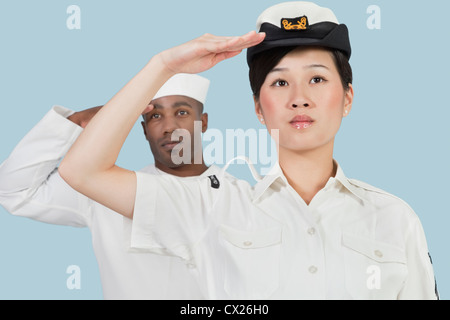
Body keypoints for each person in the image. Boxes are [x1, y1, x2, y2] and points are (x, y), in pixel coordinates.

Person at [58, 1, 438, 299]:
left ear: (348, 98)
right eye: (279, 83)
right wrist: (163, 66)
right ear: (258, 107)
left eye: (317, 79)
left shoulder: (394, 218)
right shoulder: (212, 207)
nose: (299, 99)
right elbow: (83, 172)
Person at [0, 73, 216, 299]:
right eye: (155, 116)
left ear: (204, 123)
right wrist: (75, 122)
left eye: (182, 113)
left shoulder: (238, 197)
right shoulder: (103, 193)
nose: (169, 126)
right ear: (143, 130)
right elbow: (12, 190)